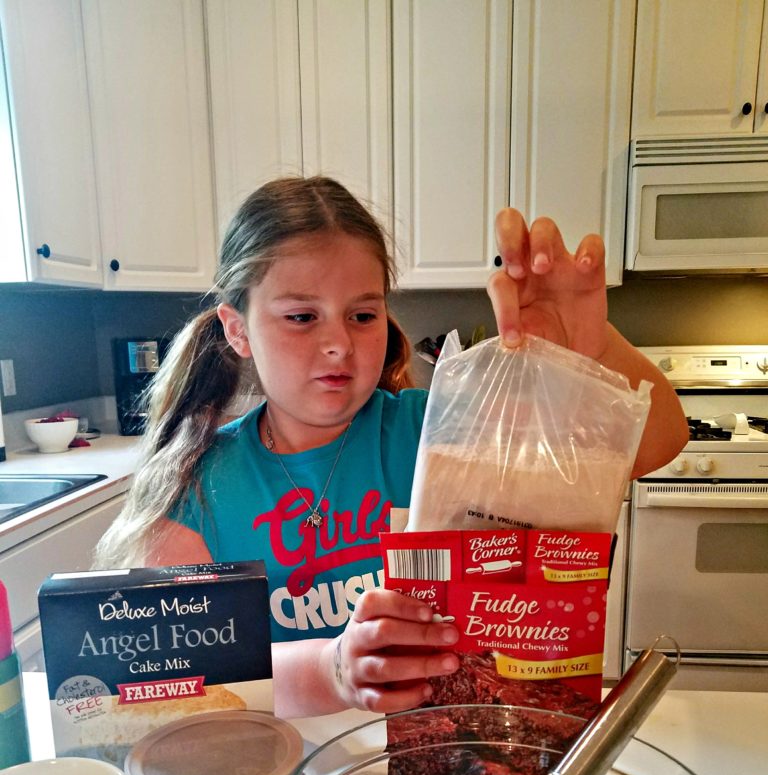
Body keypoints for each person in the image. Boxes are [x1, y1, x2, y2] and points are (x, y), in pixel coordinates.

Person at [95, 176, 688, 719]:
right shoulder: (200, 487)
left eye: (361, 314)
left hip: (454, 753)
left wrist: (589, 349)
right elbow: (177, 683)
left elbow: (656, 443)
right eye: (302, 316)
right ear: (238, 329)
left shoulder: (435, 431)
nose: (337, 344)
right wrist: (333, 672)